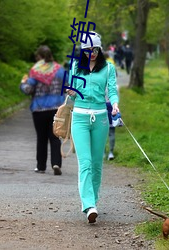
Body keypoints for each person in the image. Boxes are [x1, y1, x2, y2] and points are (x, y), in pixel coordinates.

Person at [66, 32, 119, 223]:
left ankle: (93, 201)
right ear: (83, 51)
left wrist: (115, 104)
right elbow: (71, 95)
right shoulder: (75, 66)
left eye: (95, 50)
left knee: (97, 164)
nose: (92, 54)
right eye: (88, 50)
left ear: (100, 49)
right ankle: (88, 205)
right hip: (79, 118)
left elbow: (112, 90)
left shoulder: (108, 68)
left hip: (101, 119)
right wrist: (71, 92)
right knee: (85, 163)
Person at [20, 45, 66, 175]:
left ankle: (41, 166)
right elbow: (67, 86)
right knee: (55, 136)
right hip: (56, 108)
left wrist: (23, 83)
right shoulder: (60, 70)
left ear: (39, 57)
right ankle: (56, 163)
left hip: (39, 109)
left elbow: (28, 90)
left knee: (42, 138)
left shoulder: (35, 71)